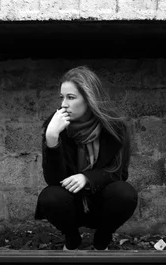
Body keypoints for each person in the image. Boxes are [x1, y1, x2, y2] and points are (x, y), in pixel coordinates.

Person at [34, 66, 138, 250]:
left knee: (125, 193)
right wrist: (52, 139)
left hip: (101, 201)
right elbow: (53, 180)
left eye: (71, 97)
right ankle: (72, 239)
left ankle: (102, 238)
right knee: (50, 197)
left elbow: (119, 173)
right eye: (62, 97)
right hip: (71, 204)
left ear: (89, 99)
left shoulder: (115, 127)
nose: (64, 104)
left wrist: (87, 178)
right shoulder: (56, 126)